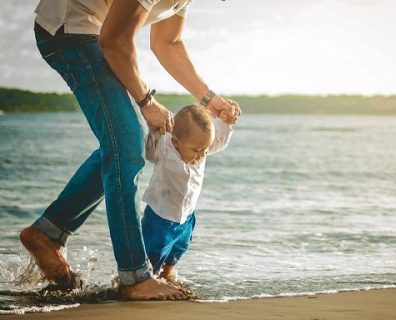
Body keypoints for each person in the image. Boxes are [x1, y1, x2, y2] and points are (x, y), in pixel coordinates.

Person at [20, 0, 241, 301]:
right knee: (126, 146)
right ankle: (134, 276)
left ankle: (48, 232)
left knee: (125, 146)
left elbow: (169, 42)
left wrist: (208, 97)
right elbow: (114, 40)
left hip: (91, 32)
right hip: (70, 31)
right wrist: (146, 101)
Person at [141, 104, 236, 284]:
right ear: (176, 142)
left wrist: (226, 122)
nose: (202, 154)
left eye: (205, 149)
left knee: (180, 247)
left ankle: (167, 274)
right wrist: (154, 131)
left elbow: (220, 141)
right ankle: (146, 281)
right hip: (160, 217)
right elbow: (149, 153)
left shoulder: (201, 146)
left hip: (186, 216)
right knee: (152, 253)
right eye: (197, 150)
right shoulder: (165, 148)